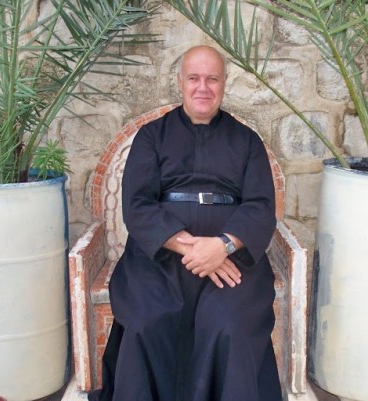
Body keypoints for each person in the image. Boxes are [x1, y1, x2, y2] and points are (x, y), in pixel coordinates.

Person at [89, 45, 282, 401]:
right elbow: (137, 204)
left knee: (230, 325)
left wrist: (222, 246)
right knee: (147, 321)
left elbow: (261, 207)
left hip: (233, 261)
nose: (202, 87)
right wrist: (193, 249)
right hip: (159, 258)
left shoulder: (247, 141)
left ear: (224, 83)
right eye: (194, 78)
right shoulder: (151, 136)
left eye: (212, 79)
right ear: (180, 82)